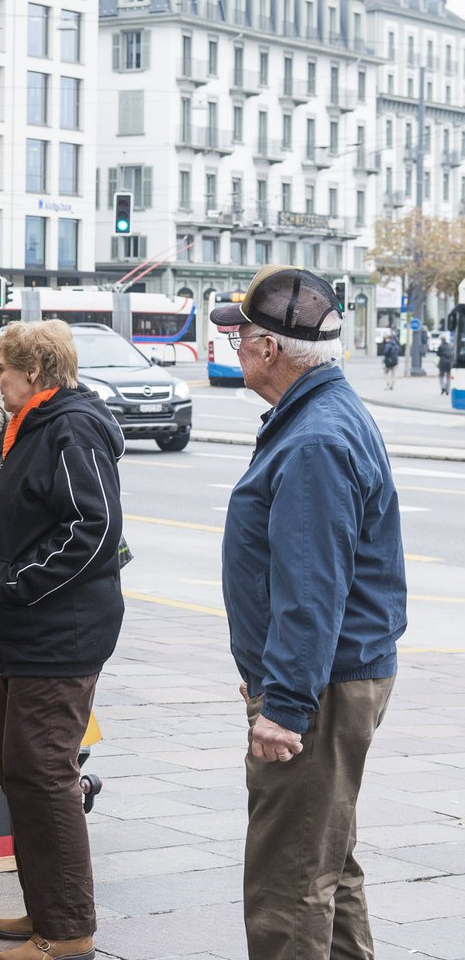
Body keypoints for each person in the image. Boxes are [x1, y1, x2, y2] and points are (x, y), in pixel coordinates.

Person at [209, 265, 406, 960]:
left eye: (239, 338)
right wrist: (267, 666)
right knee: (325, 860)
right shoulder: (318, 417)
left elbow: (312, 588)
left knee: (289, 883)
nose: (233, 349)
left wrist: (286, 703)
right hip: (329, 676)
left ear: (269, 349)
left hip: (321, 690)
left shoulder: (315, 438)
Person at [0, 320, 125, 960]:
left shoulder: (70, 428)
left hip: (58, 635)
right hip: (29, 635)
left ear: (33, 372)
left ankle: (67, 929)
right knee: (22, 771)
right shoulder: (35, 424)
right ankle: (47, 907)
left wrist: (14, 584)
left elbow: (94, 527)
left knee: (44, 773)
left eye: (2, 370)